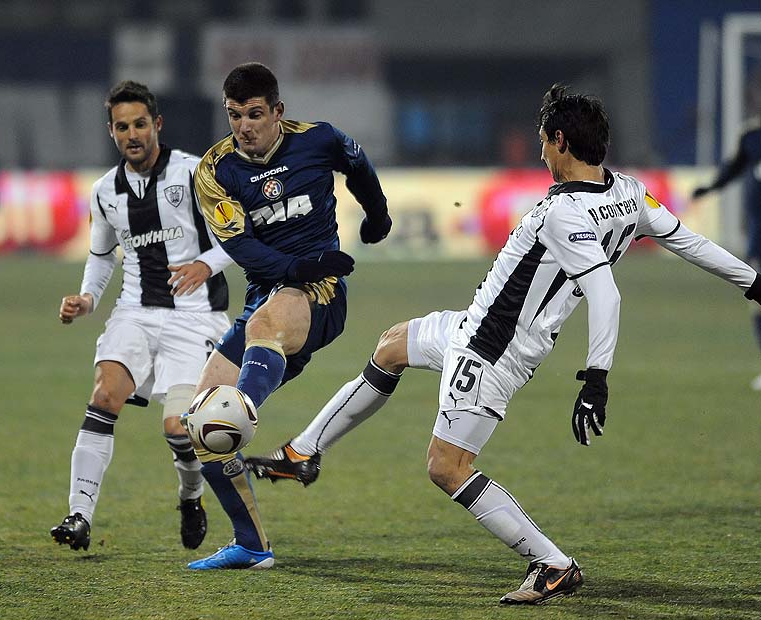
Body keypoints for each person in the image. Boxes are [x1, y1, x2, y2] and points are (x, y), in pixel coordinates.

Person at [246, 84, 761, 603]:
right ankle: (303, 451)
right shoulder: (628, 193)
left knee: (446, 468)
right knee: (392, 345)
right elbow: (689, 241)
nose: (539, 152)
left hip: (490, 352)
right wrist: (752, 282)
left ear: (560, 141)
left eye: (542, 141)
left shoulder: (565, 214)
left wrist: (596, 377)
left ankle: (552, 562)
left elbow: (606, 292)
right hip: (471, 326)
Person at [184, 62, 392, 570]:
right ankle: (252, 545)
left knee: (258, 338)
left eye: (255, 114)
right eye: (235, 116)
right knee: (200, 422)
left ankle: (246, 415)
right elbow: (242, 248)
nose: (244, 127)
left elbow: (358, 165)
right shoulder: (214, 171)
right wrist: (301, 263)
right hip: (270, 290)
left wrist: (378, 215)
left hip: (318, 292)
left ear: (278, 111)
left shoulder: (318, 140)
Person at [49, 80, 232, 553]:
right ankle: (79, 515)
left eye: (140, 124)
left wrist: (203, 265)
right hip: (135, 311)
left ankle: (191, 496)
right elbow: (102, 254)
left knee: (178, 428)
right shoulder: (105, 190)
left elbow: (235, 235)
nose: (132, 134)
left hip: (197, 318)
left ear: (157, 125)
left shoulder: (196, 174)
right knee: (104, 395)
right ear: (111, 132)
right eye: (122, 126)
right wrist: (88, 298)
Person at [692, 117, 761, 390]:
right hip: (759, 236)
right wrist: (710, 188)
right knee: (757, 301)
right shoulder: (752, 136)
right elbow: (734, 168)